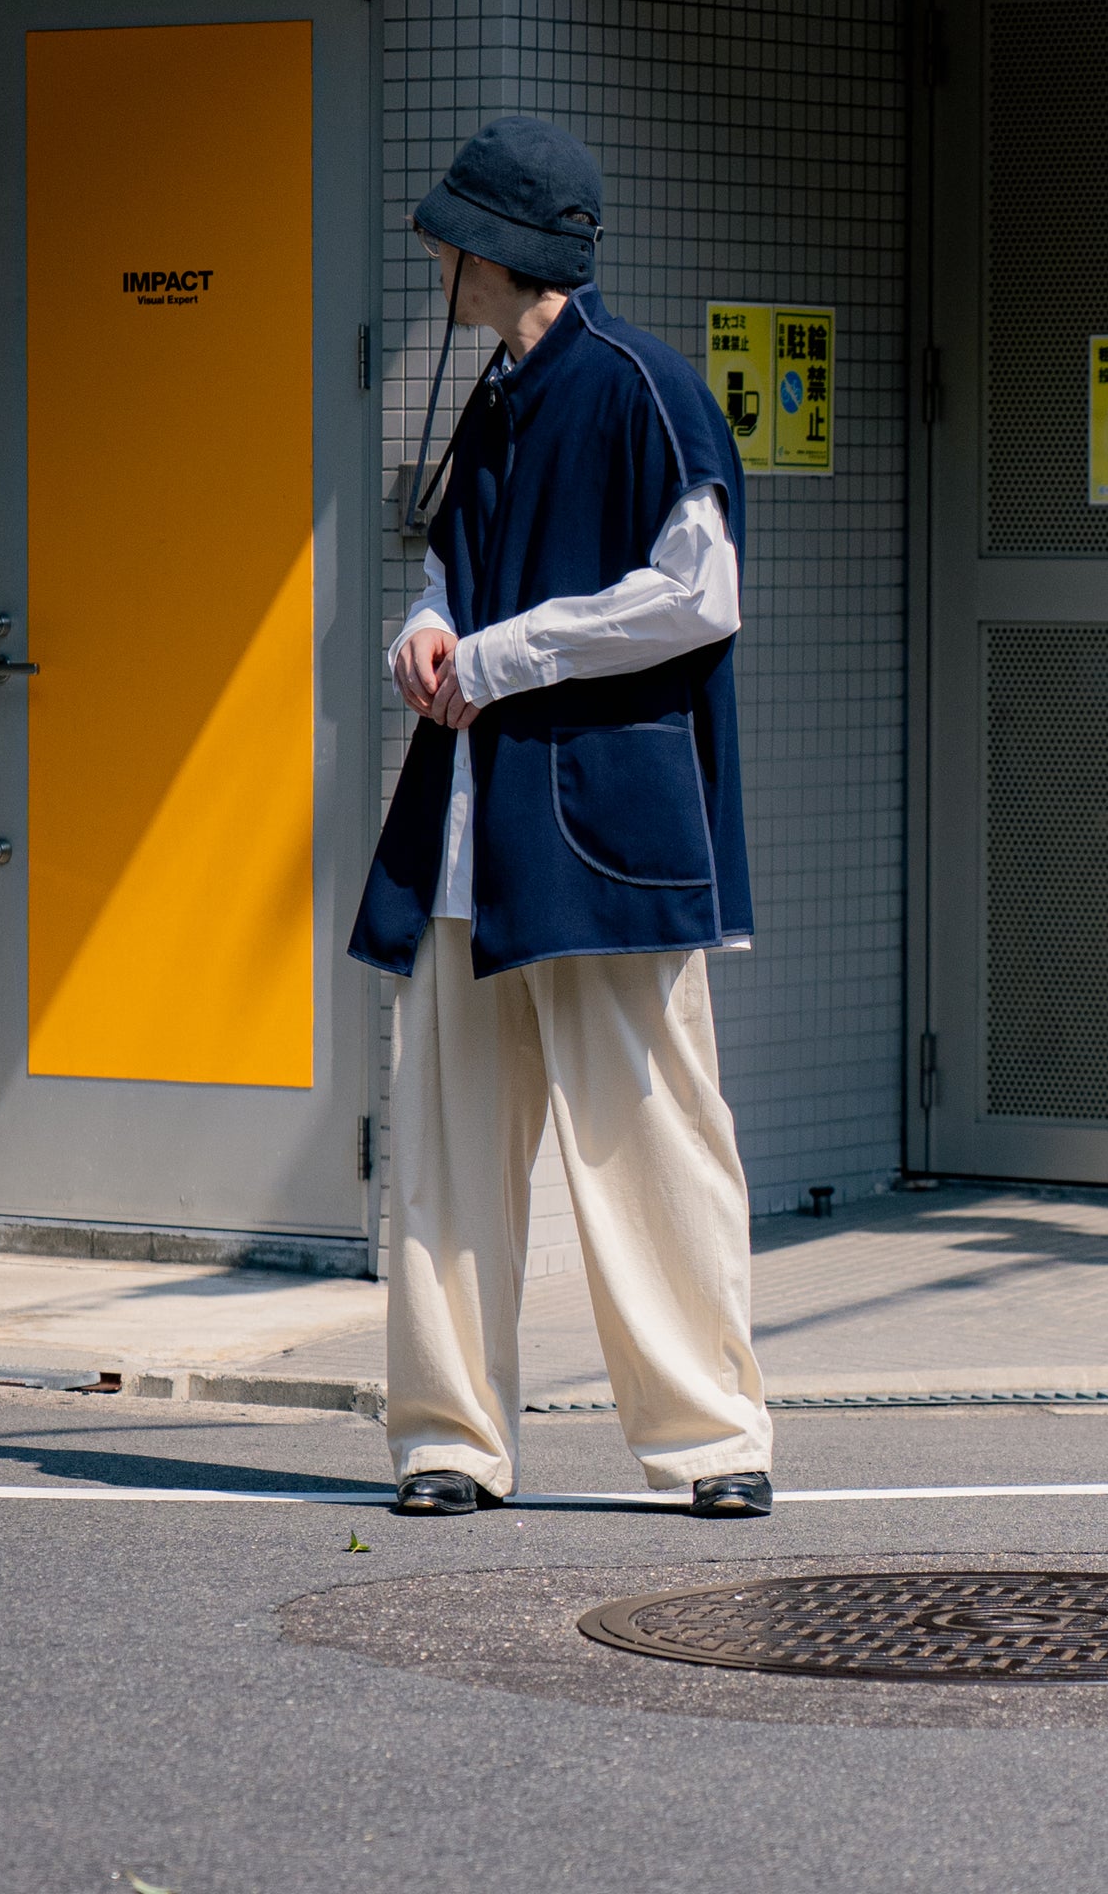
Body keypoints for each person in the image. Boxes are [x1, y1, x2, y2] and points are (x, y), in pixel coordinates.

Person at [349, 116, 773, 1518]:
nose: (437, 259)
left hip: (599, 833)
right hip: (471, 831)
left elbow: (699, 594)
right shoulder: (493, 396)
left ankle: (712, 1442)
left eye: (451, 239)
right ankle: (448, 1442)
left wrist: (500, 654)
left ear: (500, 248)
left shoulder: (643, 384)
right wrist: (426, 628)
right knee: (447, 1149)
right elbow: (451, 568)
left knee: (650, 1137)